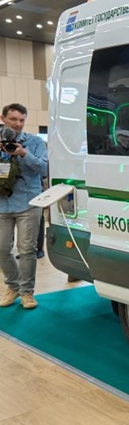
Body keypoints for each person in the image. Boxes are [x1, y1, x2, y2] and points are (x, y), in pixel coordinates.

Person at [0, 103, 48, 310]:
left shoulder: (35, 142)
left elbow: (45, 168)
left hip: (29, 203)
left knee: (27, 249)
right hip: (2, 204)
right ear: (3, 119)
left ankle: (27, 292)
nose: (18, 124)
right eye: (13, 119)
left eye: (21, 120)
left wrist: (23, 154)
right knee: (1, 249)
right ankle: (13, 287)